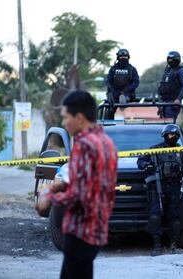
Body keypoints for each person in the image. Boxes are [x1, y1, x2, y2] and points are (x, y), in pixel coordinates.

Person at [35, 90, 118, 279]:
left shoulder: (85, 144)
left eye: (65, 118)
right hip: (95, 229)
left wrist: (49, 198)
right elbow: (87, 182)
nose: (64, 123)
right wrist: (60, 185)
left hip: (81, 230)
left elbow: (82, 196)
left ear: (79, 118)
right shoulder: (105, 141)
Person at [137, 124, 183, 256]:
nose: (170, 137)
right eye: (168, 135)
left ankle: (173, 245)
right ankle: (157, 246)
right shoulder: (155, 149)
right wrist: (147, 166)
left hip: (174, 187)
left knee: (174, 217)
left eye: (172, 135)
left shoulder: (181, 152)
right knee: (155, 215)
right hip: (157, 187)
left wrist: (181, 170)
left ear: (177, 136)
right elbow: (140, 161)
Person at [105, 48, 140, 119]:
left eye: (125, 57)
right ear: (118, 58)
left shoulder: (132, 69)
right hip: (114, 95)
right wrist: (114, 91)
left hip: (128, 94)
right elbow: (108, 81)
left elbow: (136, 82)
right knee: (109, 111)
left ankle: (123, 100)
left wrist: (126, 90)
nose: (123, 59)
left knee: (125, 98)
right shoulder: (113, 69)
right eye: (121, 57)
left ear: (128, 58)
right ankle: (108, 125)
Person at [157, 51, 183, 120]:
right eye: (169, 59)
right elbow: (162, 86)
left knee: (169, 124)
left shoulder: (180, 71)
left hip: (172, 103)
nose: (170, 61)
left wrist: (178, 99)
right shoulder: (167, 71)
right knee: (162, 124)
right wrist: (160, 105)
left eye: (171, 59)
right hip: (164, 103)